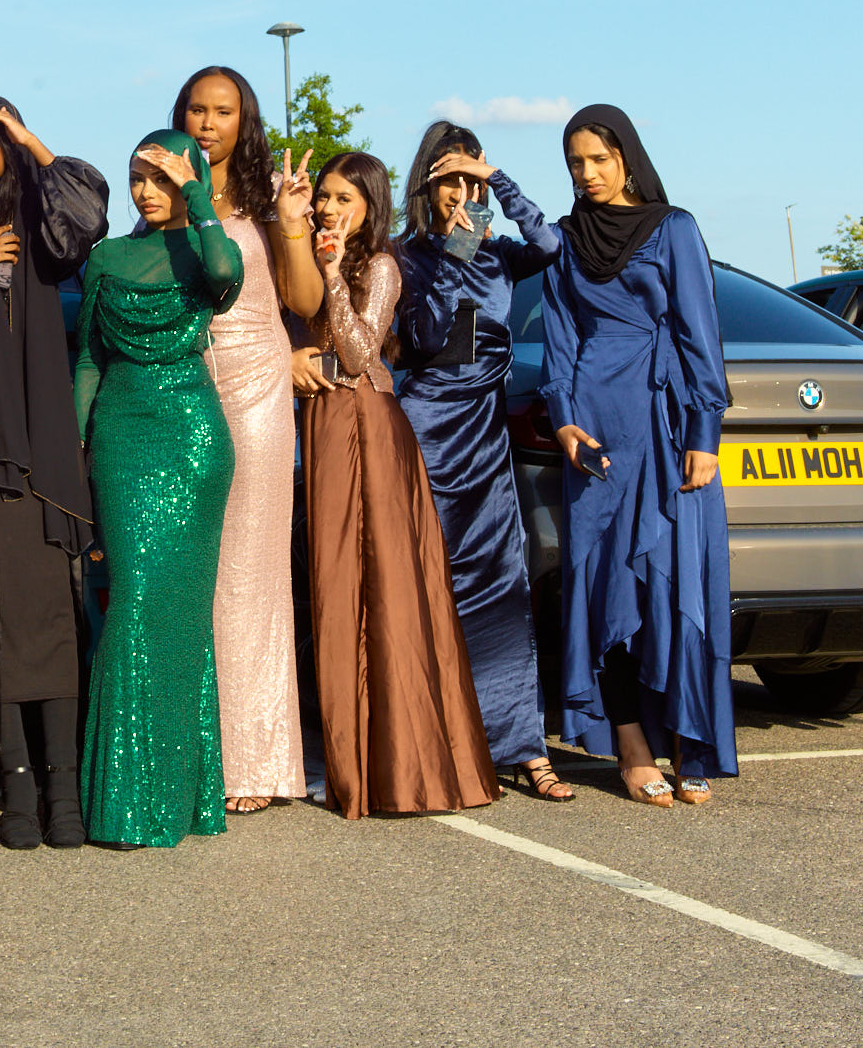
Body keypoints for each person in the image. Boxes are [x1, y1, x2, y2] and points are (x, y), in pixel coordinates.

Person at [542, 105, 735, 806]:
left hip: (668, 420)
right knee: (608, 587)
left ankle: (689, 740)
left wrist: (704, 433)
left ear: (627, 158)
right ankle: (630, 744)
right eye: (575, 162)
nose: (587, 173)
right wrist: (564, 421)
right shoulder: (566, 239)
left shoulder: (673, 227)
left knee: (676, 585)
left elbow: (699, 331)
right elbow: (560, 338)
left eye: (599, 158)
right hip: (598, 430)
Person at [0, 95, 106, 850]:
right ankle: (17, 785)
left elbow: (89, 214)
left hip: (38, 438)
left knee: (46, 607)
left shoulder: (40, 220)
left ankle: (63, 786)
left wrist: (30, 139)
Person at [304, 151, 499, 817]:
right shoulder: (310, 251)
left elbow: (360, 354)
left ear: (372, 206)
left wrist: (333, 275)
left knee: (382, 587)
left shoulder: (382, 265)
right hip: (325, 423)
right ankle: (349, 758)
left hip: (366, 423)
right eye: (324, 196)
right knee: (335, 588)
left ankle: (398, 765)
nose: (329, 208)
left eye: (344, 199)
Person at [73, 132, 244, 847]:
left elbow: (227, 276)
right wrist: (77, 444)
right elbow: (90, 358)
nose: (147, 191)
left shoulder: (206, 253)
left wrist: (198, 195)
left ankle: (176, 798)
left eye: (163, 179)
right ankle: (128, 799)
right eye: (138, 177)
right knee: (134, 600)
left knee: (179, 614)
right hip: (121, 437)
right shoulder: (107, 257)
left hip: (193, 442)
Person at [392, 121, 570, 802]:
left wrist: (500, 181)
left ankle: (522, 745)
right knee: (429, 583)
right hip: (429, 431)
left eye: (470, 179)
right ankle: (439, 737)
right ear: (427, 185)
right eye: (449, 179)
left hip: (485, 436)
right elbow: (430, 335)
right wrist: (457, 249)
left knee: (502, 586)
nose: (460, 192)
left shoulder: (502, 255)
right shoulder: (407, 257)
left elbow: (550, 244)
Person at [171, 67, 318, 813]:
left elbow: (304, 299)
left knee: (249, 573)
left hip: (258, 386)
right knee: (191, 569)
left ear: (243, 119)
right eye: (197, 109)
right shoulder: (164, 195)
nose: (207, 122)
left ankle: (253, 763)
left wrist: (292, 221)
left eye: (222, 111)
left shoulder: (268, 200)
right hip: (182, 390)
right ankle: (192, 753)